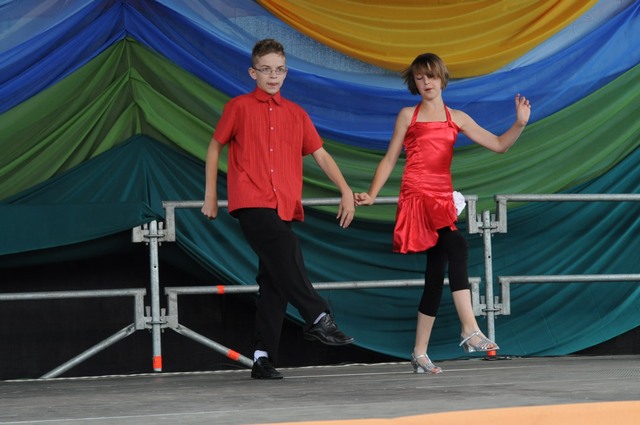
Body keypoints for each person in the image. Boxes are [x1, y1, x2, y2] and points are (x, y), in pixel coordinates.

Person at [355, 53, 531, 374]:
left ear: (442, 79)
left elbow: (499, 144)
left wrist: (519, 123)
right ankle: (469, 328)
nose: (426, 82)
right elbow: (390, 157)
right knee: (458, 246)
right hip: (417, 194)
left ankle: (419, 353)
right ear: (414, 82)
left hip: (441, 197)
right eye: (420, 77)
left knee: (435, 274)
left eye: (431, 76)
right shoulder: (408, 115)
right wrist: (373, 193)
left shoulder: (456, 118)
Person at [201, 39, 356, 380]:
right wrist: (211, 194)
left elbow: (321, 154)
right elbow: (215, 146)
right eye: (266, 69)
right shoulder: (238, 107)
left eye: (279, 69)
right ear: (253, 72)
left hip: (283, 205)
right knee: (286, 246)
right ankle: (317, 317)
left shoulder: (297, 114)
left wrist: (345, 190)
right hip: (251, 202)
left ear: (286, 73)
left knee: (274, 282)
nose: (273, 76)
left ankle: (262, 358)